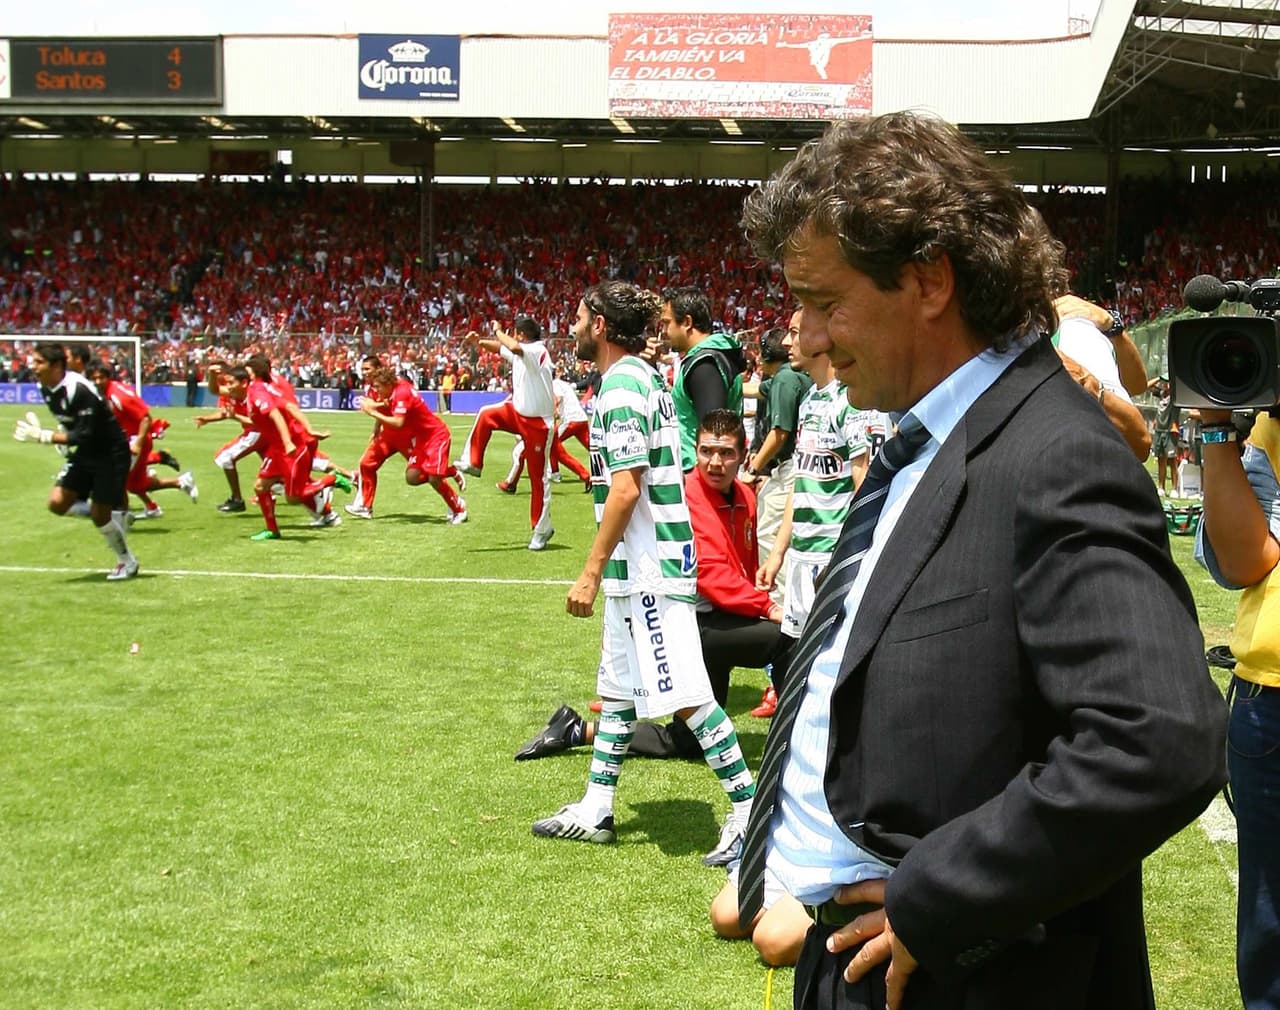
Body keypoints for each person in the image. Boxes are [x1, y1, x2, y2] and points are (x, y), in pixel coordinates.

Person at [734, 112, 1227, 1010]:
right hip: (854, 946)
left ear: (927, 280)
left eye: (825, 301)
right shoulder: (936, 435)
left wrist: (941, 901)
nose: (802, 338)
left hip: (960, 973)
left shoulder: (1051, 453)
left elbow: (1158, 737)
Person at [530, 281, 756, 867]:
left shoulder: (623, 385)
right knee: (617, 691)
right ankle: (597, 805)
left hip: (650, 568)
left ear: (601, 325)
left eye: (580, 317)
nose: (574, 326)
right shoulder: (632, 380)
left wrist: (588, 570)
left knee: (686, 696)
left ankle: (747, 810)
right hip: (641, 569)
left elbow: (627, 486)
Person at [516, 410, 788, 762]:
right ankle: (796, 738)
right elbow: (709, 572)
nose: (715, 462)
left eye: (726, 453)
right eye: (707, 451)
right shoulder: (686, 500)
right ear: (695, 450)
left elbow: (736, 567)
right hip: (687, 624)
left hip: (718, 619)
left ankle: (576, 729)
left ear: (743, 453)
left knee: (686, 742)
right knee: (788, 638)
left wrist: (755, 594)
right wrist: (767, 607)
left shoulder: (745, 496)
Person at [755, 311, 888, 718]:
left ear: (823, 337)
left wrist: (848, 553)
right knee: (792, 652)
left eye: (796, 333)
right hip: (800, 554)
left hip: (828, 555)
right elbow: (802, 480)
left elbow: (863, 482)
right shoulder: (811, 399)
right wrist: (779, 552)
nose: (788, 342)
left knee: (828, 654)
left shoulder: (850, 404)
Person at [1195, 407, 1280, 1010]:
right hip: (1271, 703)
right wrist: (1220, 435)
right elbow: (1241, 563)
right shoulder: (1273, 428)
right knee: (1271, 923)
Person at [13, 342, 139, 580]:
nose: (33, 366)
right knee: (57, 503)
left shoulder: (78, 389)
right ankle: (113, 516)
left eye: (39, 362)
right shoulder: (46, 387)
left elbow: (85, 433)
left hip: (109, 453)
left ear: (57, 365)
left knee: (100, 516)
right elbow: (72, 425)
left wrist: (45, 436)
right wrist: (61, 437)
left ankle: (127, 562)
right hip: (85, 452)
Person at [464, 317, 557, 550]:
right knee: (487, 414)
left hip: (539, 424)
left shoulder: (536, 350)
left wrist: (496, 329)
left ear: (521, 335)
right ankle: (474, 462)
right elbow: (503, 348)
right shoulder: (521, 351)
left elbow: (512, 346)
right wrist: (480, 342)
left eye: (514, 334)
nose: (512, 338)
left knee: (538, 478)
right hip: (518, 413)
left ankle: (541, 529)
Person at [221, 364, 342, 539]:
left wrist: (288, 441)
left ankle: (332, 479)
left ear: (244, 382)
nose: (227, 387)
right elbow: (285, 408)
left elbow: (276, 415)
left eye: (230, 383)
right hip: (276, 449)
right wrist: (235, 417)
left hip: (292, 446)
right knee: (260, 487)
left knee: (293, 498)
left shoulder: (257, 394)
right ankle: (272, 530)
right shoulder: (257, 391)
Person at [744, 317, 812, 596]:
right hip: (801, 466)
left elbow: (780, 433)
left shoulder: (784, 377)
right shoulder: (789, 377)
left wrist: (754, 467)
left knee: (769, 533)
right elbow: (752, 390)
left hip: (789, 468)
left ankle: (778, 599)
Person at [356, 366, 467, 524]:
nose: (376, 391)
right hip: (421, 438)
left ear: (387, 384)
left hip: (436, 436)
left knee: (434, 478)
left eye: (378, 387)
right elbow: (388, 402)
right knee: (413, 477)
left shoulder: (402, 393)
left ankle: (459, 509)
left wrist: (372, 412)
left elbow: (398, 422)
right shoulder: (397, 387)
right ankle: (450, 471)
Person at [86, 362, 198, 517]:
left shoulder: (119, 395)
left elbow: (145, 418)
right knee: (133, 484)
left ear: (108, 377)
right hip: (124, 441)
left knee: (116, 479)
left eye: (101, 378)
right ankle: (177, 485)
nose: (98, 381)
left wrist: (138, 442)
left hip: (135, 442)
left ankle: (122, 517)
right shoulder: (103, 393)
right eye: (94, 378)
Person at [663, 286, 746, 472]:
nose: (664, 331)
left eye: (666, 323)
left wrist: (700, 486)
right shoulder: (707, 359)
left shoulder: (704, 365)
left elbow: (715, 436)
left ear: (687, 322)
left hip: (701, 477)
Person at [193, 360, 256, 513]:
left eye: (229, 382)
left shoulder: (252, 394)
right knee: (283, 468)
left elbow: (256, 421)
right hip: (258, 431)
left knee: (225, 457)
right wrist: (207, 419)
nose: (227, 386)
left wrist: (236, 417)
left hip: (258, 432)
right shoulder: (235, 390)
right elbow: (216, 393)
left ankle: (237, 499)